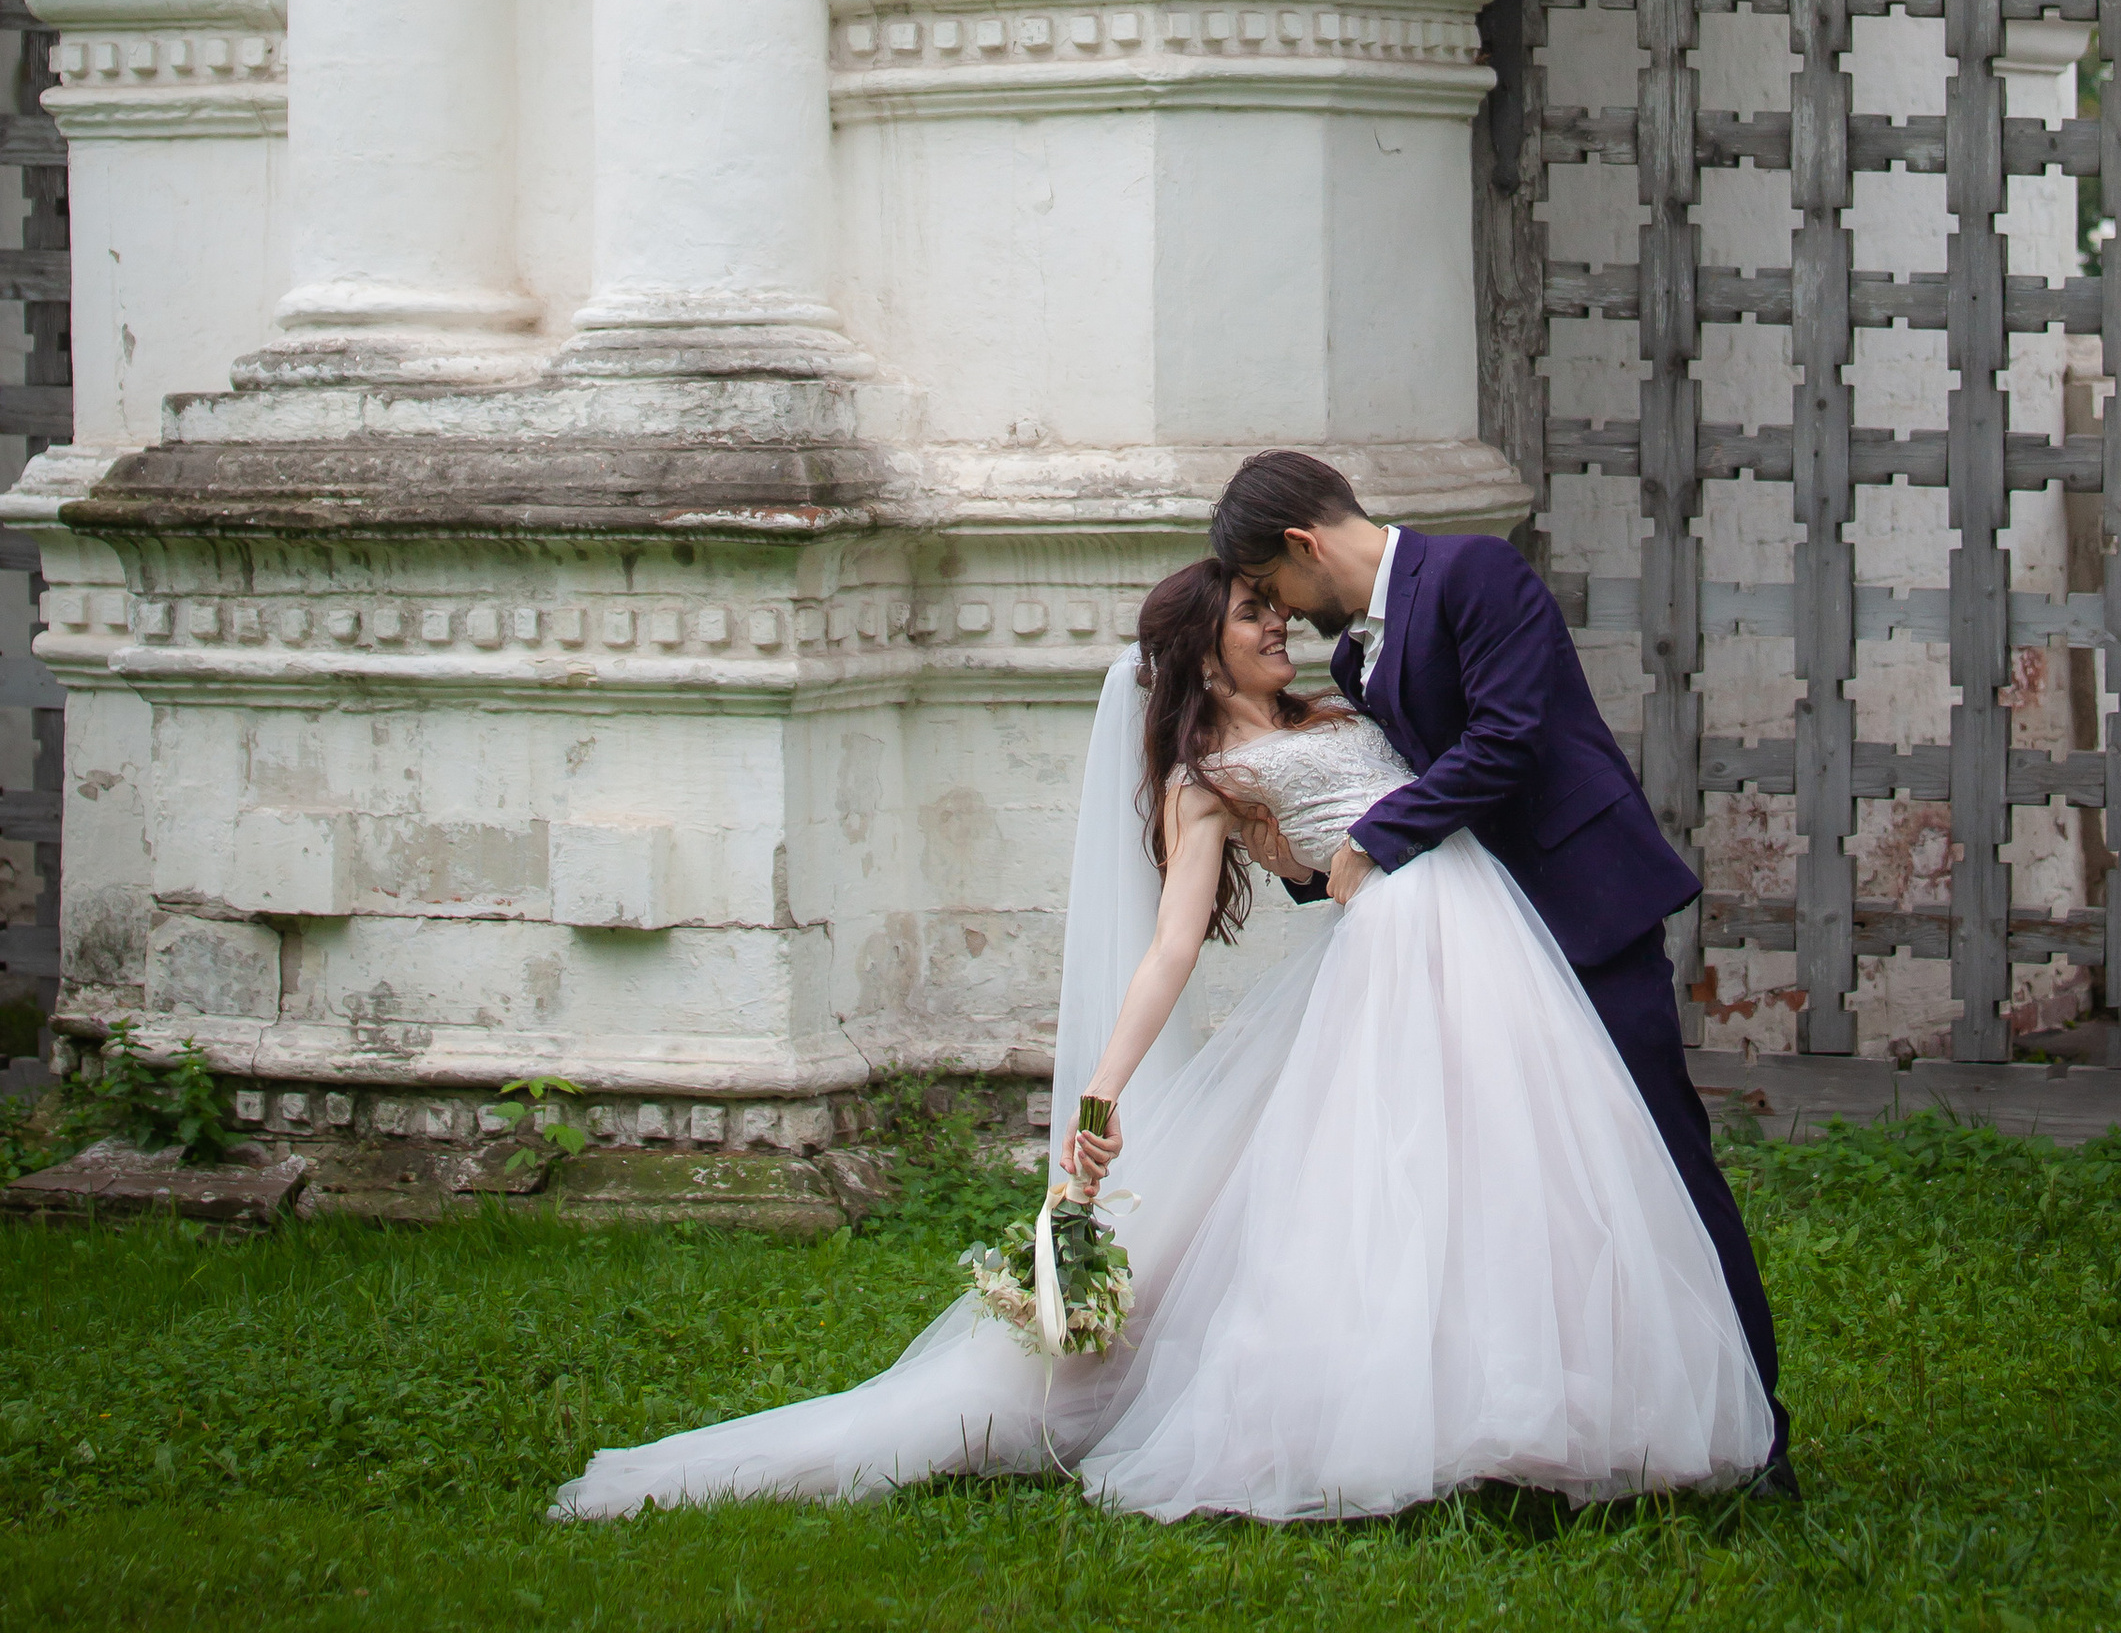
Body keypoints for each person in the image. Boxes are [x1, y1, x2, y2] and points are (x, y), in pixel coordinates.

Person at [552, 554, 1773, 1526]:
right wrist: (1100, 1092)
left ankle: (1543, 1407)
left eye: (1271, 605)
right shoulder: (1208, 774)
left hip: (1478, 947)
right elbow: (1174, 948)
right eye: (1252, 614)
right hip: (1393, 962)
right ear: (1200, 644)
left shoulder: (1340, 699)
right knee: (1385, 1193)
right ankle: (1385, 1421)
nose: (1275, 626)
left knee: (1516, 1170)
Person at [1210, 448, 1791, 1484]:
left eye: (1276, 589)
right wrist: (1314, 866)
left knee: (1663, 1157)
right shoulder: (1356, 664)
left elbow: (1508, 739)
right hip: (1488, 945)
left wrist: (1377, 837)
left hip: (1584, 907)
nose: (1286, 616)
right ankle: (1587, 1425)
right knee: (1549, 1187)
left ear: (1304, 545)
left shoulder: (1475, 575)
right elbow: (1403, 795)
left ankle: (1757, 1426)